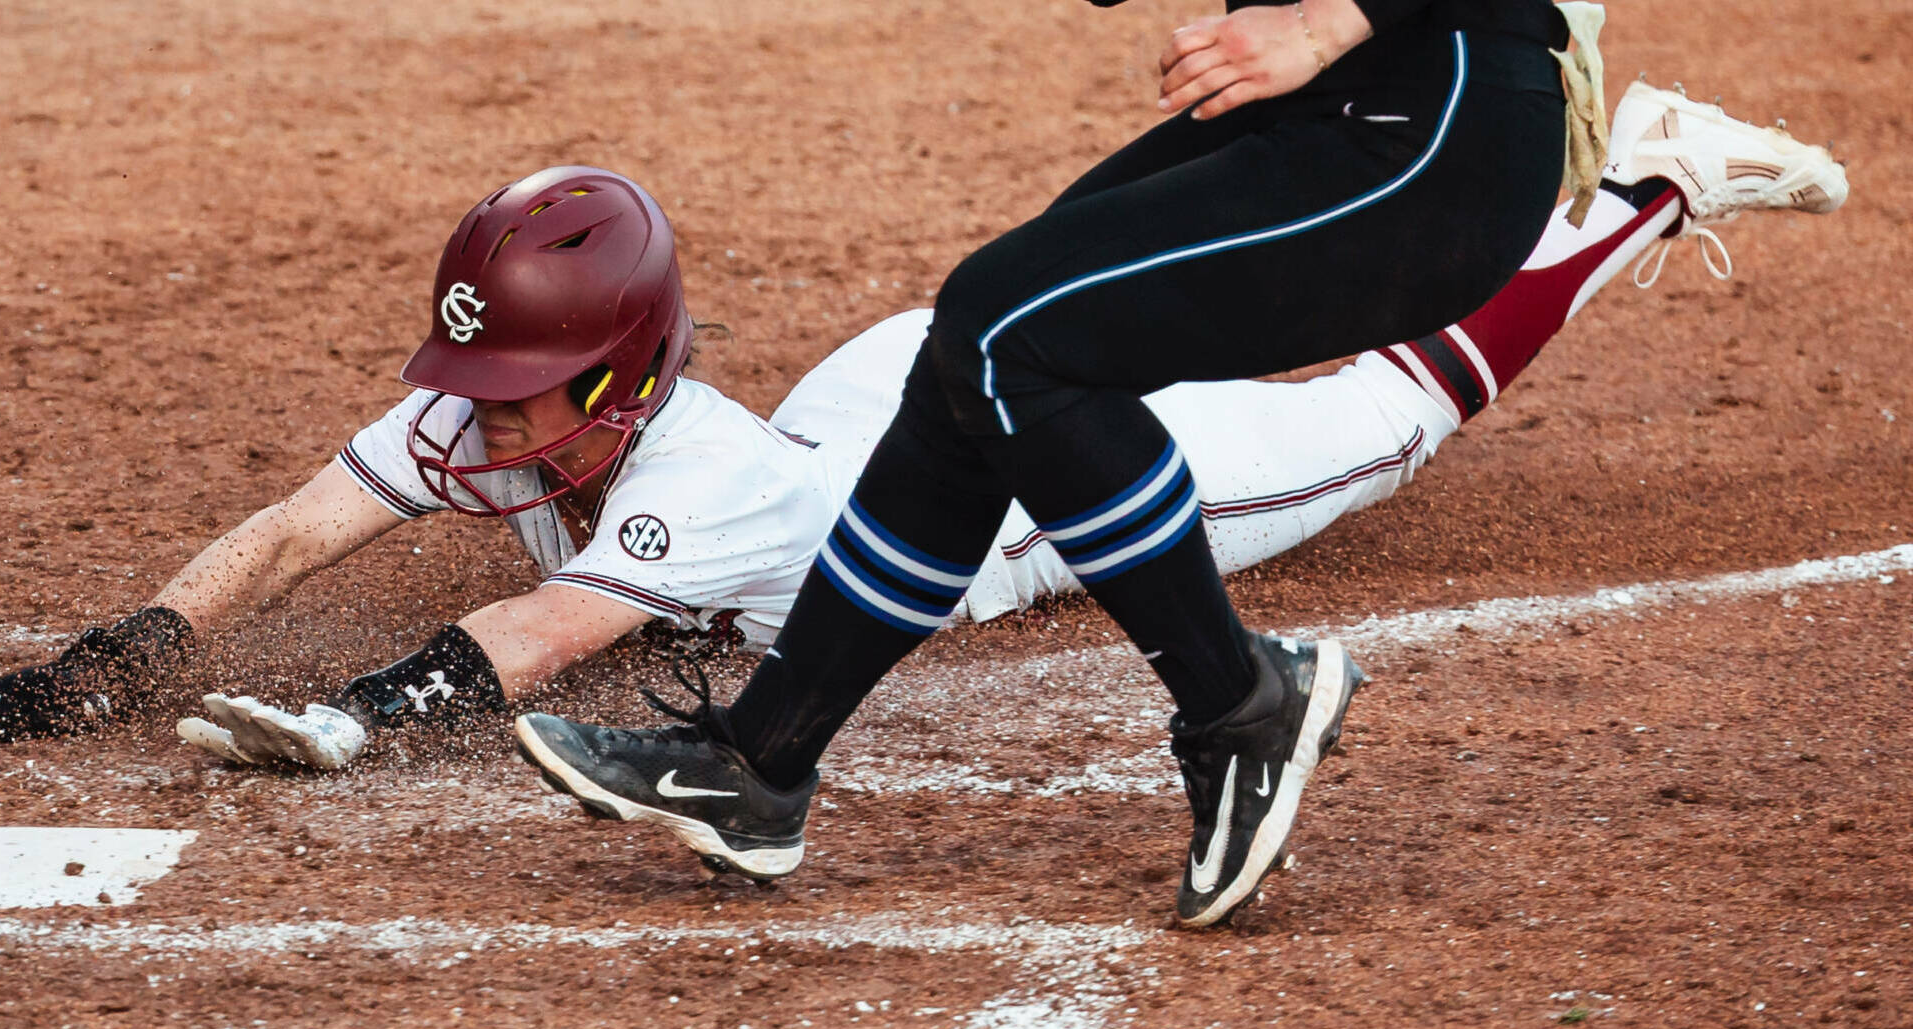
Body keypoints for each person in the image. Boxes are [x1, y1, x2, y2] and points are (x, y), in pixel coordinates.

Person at [0, 86, 1843, 834]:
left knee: (1386, 413)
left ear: (620, 380)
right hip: (888, 387)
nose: (485, 421)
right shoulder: (497, 404)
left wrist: (350, 720)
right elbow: (295, 527)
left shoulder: (695, 470)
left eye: (527, 389)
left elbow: (546, 636)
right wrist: (111, 664)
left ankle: (1643, 182)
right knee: (1030, 300)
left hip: (1039, 506)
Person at [511, 10, 1850, 930]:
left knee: (1005, 335)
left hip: (1435, 121)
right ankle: (761, 761)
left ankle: (1238, 699)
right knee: (970, 356)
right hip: (1328, 107)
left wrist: (1328, 16)